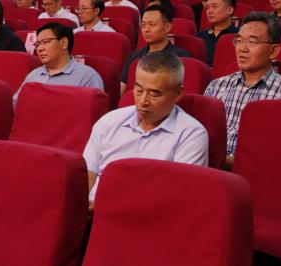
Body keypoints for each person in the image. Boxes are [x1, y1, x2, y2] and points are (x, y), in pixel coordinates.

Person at [84, 52, 208, 202]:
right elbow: (87, 176)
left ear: (178, 93)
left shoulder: (191, 134)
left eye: (154, 94)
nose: (143, 101)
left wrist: (112, 206)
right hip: (94, 209)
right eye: (139, 90)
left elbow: (180, 196)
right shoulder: (109, 122)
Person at [203, 12, 281, 161]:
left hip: (254, 169)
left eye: (252, 42)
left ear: (274, 51)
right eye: (239, 41)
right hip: (211, 167)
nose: (242, 49)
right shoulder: (216, 86)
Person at [14, 23, 103, 105]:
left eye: (46, 42)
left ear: (64, 43)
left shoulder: (87, 76)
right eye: (38, 44)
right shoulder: (34, 75)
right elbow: (17, 104)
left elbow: (92, 112)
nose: (40, 49)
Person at [120, 6, 189, 87]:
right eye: (143, 25)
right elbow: (124, 90)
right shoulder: (134, 57)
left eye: (151, 24)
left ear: (167, 27)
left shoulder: (180, 57)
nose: (146, 30)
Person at [196, 0, 238, 65]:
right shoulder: (199, 37)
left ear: (230, 10)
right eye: (207, 8)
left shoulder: (239, 36)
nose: (209, 11)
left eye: (214, 6)